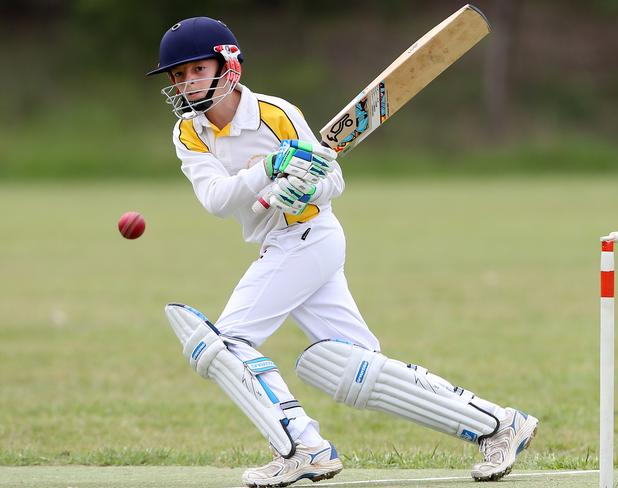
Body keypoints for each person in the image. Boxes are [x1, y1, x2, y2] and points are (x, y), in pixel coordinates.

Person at [148, 16, 539, 488]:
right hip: (281, 243)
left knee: (226, 345)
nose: (187, 84)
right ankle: (499, 425)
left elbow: (332, 178)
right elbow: (216, 200)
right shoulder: (188, 133)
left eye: (195, 70)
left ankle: (302, 447)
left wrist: (306, 191)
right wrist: (272, 169)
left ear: (227, 65)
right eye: (178, 75)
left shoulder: (276, 114)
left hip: (310, 237)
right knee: (355, 367)